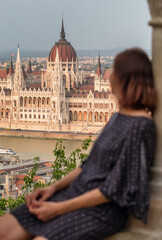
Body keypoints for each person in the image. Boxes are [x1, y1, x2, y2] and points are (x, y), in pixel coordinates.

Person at [0, 48, 157, 240]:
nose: (109, 77)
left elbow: (113, 190)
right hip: (74, 194)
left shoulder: (141, 126)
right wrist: (52, 188)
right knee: (4, 228)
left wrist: (58, 208)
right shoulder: (117, 117)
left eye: (114, 71)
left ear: (126, 80)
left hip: (98, 211)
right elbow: (87, 166)